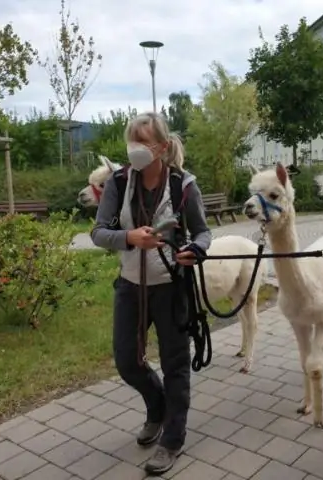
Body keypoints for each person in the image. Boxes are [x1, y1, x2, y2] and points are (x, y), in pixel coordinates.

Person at [90, 111, 212, 475]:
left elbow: (203, 233)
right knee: (128, 361)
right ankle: (157, 406)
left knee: (176, 365)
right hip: (130, 287)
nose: (135, 149)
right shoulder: (118, 182)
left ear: (161, 146)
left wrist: (197, 250)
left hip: (171, 288)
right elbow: (98, 233)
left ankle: (172, 438)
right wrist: (129, 237)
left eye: (143, 142)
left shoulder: (183, 185)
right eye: (132, 141)